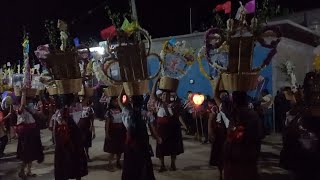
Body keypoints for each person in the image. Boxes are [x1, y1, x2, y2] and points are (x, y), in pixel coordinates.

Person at [120, 91, 157, 180]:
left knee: (130, 165)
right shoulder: (146, 114)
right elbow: (152, 129)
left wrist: (124, 88)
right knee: (143, 165)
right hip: (142, 143)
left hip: (131, 144)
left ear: (131, 101)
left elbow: (120, 100)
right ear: (142, 101)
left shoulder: (126, 111)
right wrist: (157, 137)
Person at [151, 78, 184, 172]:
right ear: (161, 96)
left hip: (172, 128)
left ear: (170, 96)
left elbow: (178, 101)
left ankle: (173, 164)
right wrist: (155, 82)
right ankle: (162, 165)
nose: (165, 96)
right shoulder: (158, 103)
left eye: (167, 95)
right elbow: (153, 94)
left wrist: (173, 89)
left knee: (173, 147)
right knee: (161, 147)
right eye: (164, 95)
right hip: (161, 129)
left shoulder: (175, 104)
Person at [53, 94, 88, 180]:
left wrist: (55, 141)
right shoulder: (78, 108)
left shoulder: (59, 112)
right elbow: (87, 98)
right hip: (75, 140)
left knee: (64, 162)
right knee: (77, 160)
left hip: (63, 141)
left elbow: (54, 128)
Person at [15, 89, 44, 179]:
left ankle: (29, 171)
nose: (29, 101)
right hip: (25, 134)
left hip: (32, 132)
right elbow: (22, 105)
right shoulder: (20, 109)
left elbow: (40, 114)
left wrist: (41, 107)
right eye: (28, 99)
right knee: (26, 154)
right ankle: (21, 171)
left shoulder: (31, 107)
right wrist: (23, 93)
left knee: (31, 153)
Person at [104, 96, 126, 170]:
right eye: (115, 101)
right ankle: (109, 164)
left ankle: (118, 162)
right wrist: (107, 133)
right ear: (111, 102)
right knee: (112, 150)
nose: (116, 102)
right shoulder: (109, 112)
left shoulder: (121, 110)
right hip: (113, 132)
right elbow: (107, 124)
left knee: (120, 149)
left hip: (120, 132)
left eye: (117, 101)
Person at [78, 96, 95, 161]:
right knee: (80, 142)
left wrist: (92, 129)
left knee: (87, 142)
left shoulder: (90, 109)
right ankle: (82, 156)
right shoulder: (77, 108)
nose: (82, 100)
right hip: (79, 127)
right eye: (81, 99)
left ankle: (87, 154)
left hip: (87, 127)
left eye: (83, 99)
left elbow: (92, 119)